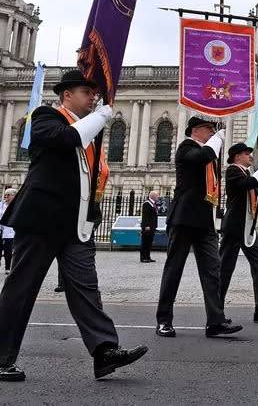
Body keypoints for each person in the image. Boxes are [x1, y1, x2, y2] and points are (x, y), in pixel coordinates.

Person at [0, 70, 148, 382]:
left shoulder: (90, 133)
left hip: (76, 225)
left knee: (85, 289)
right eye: (86, 91)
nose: (93, 97)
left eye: (94, 93)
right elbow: (66, 139)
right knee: (21, 289)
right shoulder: (45, 116)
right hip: (41, 218)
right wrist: (99, 118)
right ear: (66, 94)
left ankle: (104, 351)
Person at [155, 116, 242, 339]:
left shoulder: (210, 154)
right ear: (195, 130)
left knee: (213, 272)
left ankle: (215, 320)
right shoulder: (186, 148)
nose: (213, 132)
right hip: (184, 219)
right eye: (209, 128)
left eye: (214, 129)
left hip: (205, 221)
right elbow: (203, 155)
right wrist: (219, 138)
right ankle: (164, 320)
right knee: (174, 271)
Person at [219, 142, 258, 323]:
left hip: (248, 226)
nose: (250, 156)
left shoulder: (245, 172)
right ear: (237, 156)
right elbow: (251, 183)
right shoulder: (232, 170)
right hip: (234, 227)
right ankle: (217, 312)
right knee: (225, 269)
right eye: (247, 154)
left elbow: (254, 186)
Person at [140, 190, 159, 263]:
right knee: (145, 242)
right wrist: (146, 226)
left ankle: (148, 256)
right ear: (153, 196)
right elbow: (145, 216)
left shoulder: (153, 204)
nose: (158, 197)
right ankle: (143, 257)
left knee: (149, 243)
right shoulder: (147, 204)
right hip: (147, 227)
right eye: (157, 195)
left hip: (152, 227)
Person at [0, 189, 16, 274]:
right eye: (5, 195)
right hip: (0, 230)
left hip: (10, 232)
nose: (6, 196)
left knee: (8, 251)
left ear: (13, 196)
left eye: (8, 195)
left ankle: (7, 268)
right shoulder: (1, 205)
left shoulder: (16, 206)